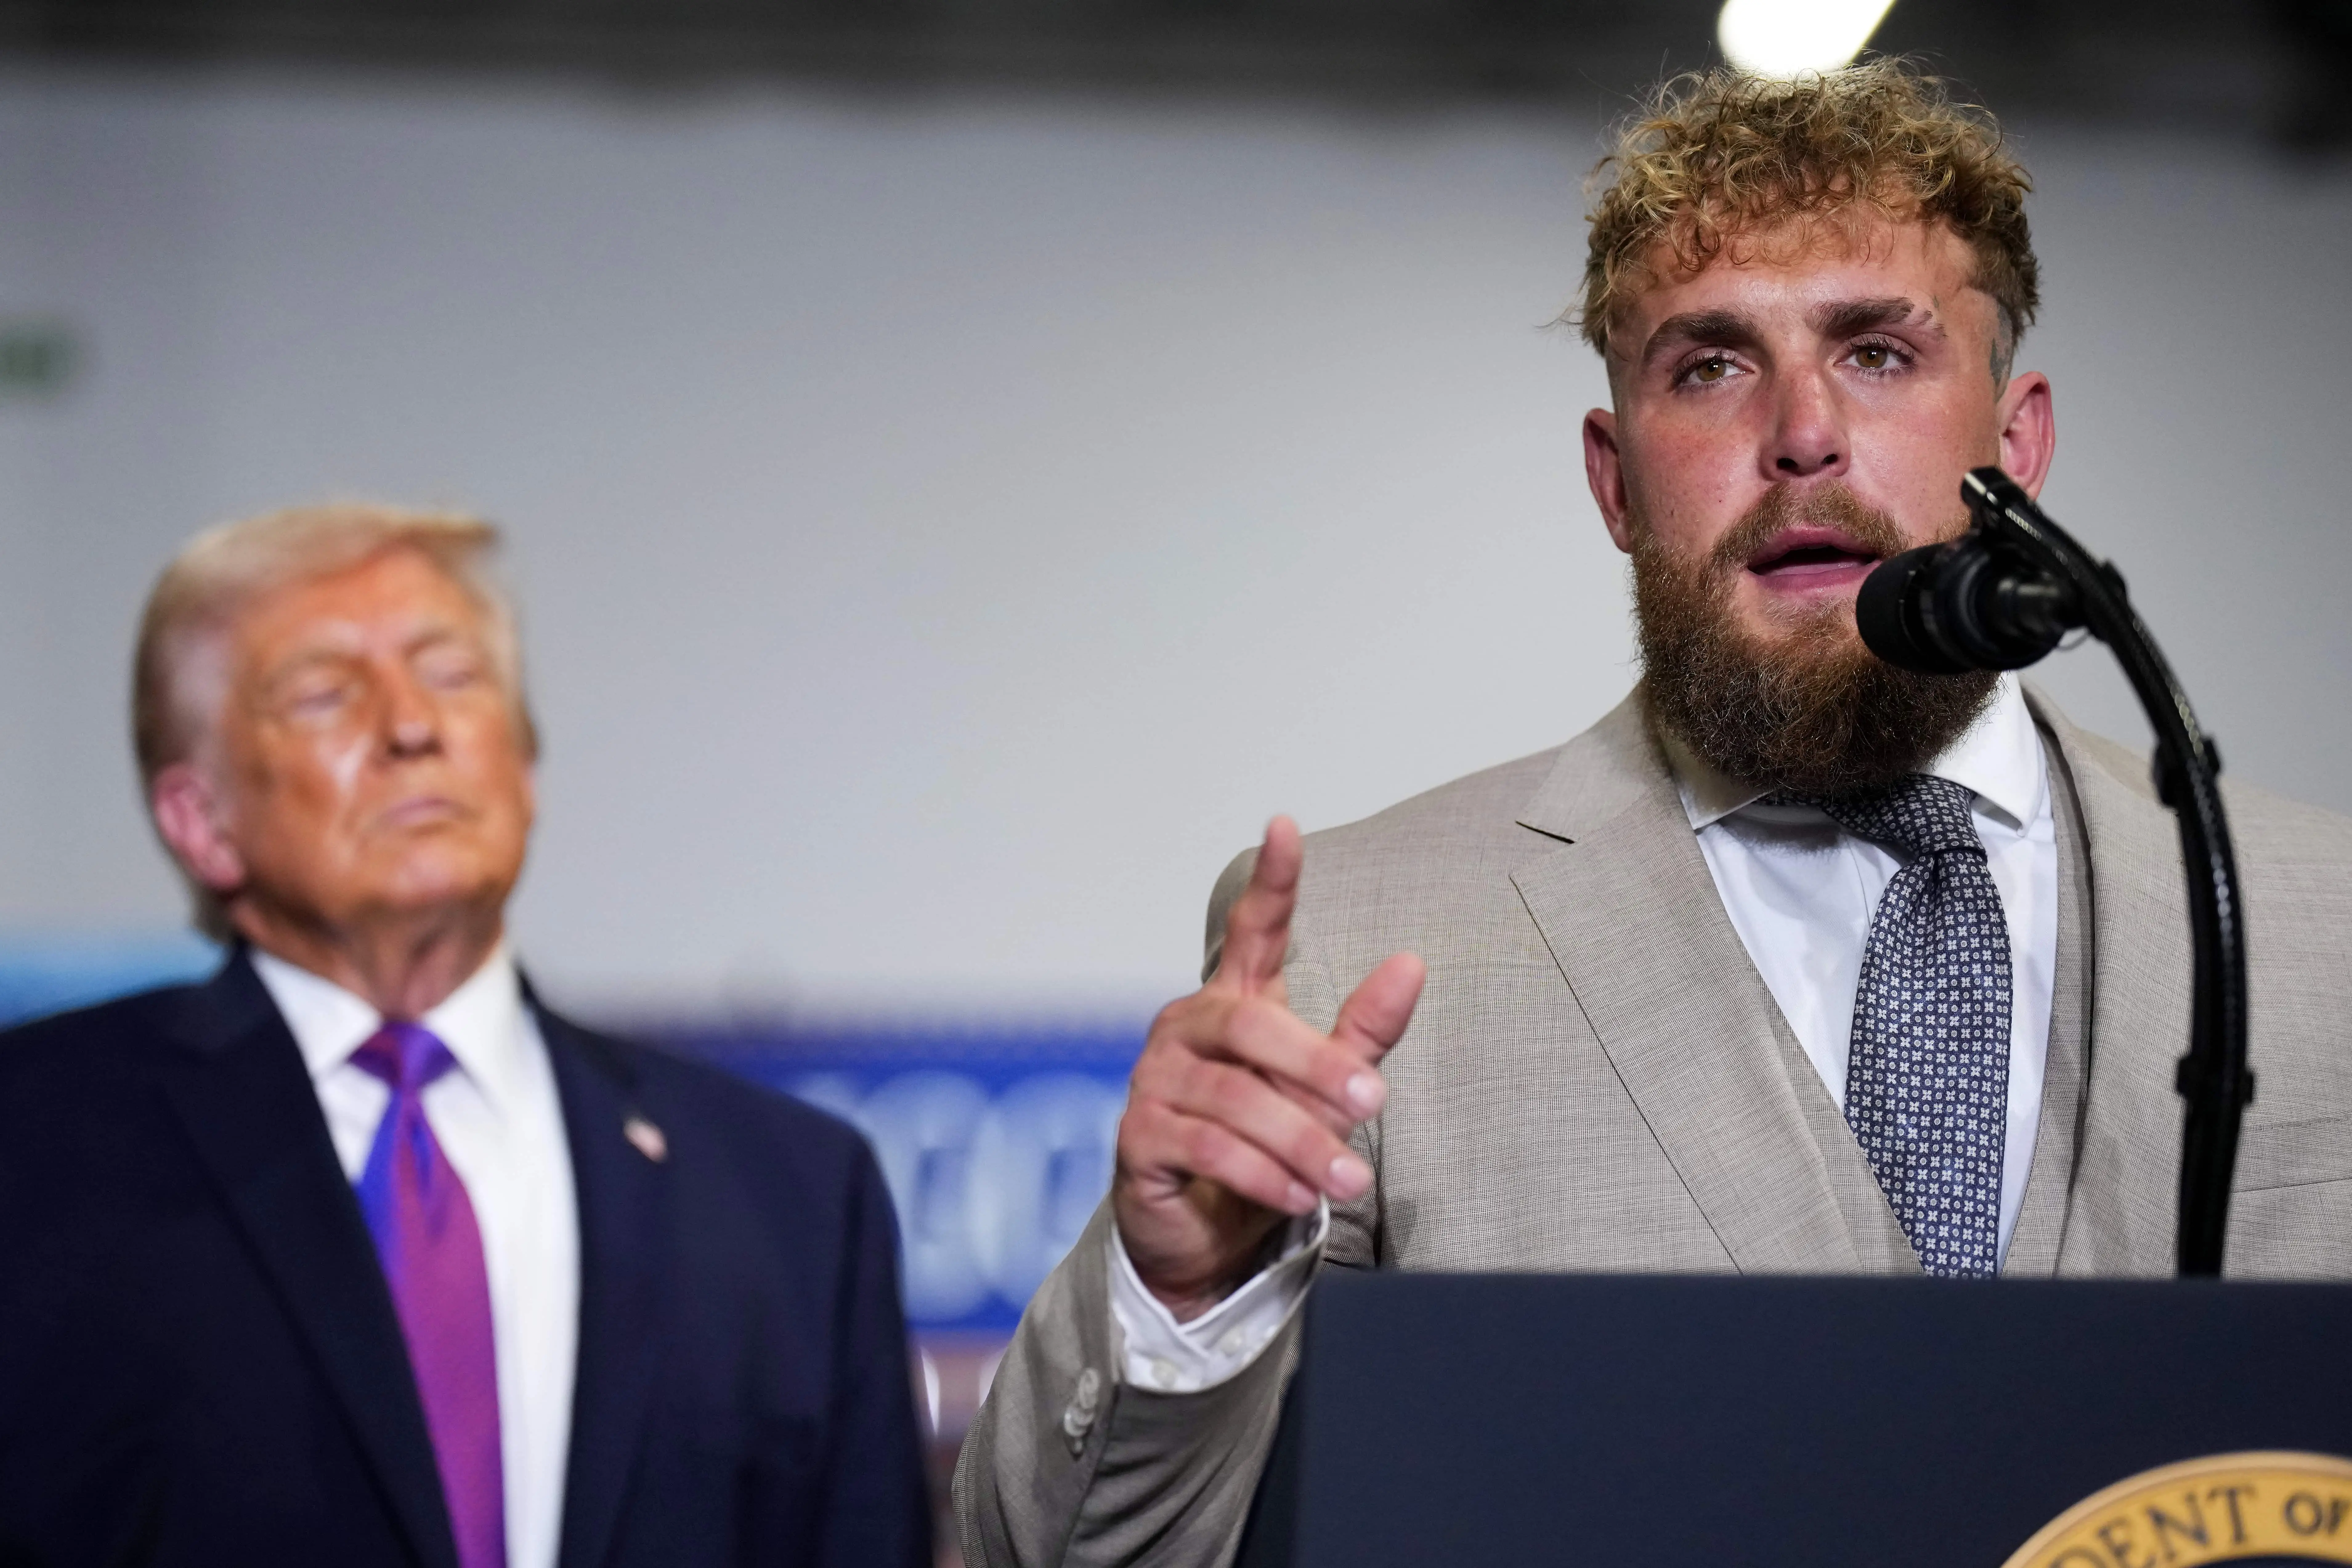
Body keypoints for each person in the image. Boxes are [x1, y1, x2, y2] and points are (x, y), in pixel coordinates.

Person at [953, 61, 2352, 1567]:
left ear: (2014, 449)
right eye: (1709, 367)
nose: (1802, 434)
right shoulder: (1360, 951)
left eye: (1877, 352)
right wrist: (1174, 1303)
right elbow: (1053, 1555)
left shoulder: (2312, 922)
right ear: (1616, 481)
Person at [0, 504, 931, 1567]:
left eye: (452, 677)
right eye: (323, 694)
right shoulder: (34, 1149)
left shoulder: (790, 1194)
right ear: (201, 822)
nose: (411, 728)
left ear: (524, 771)